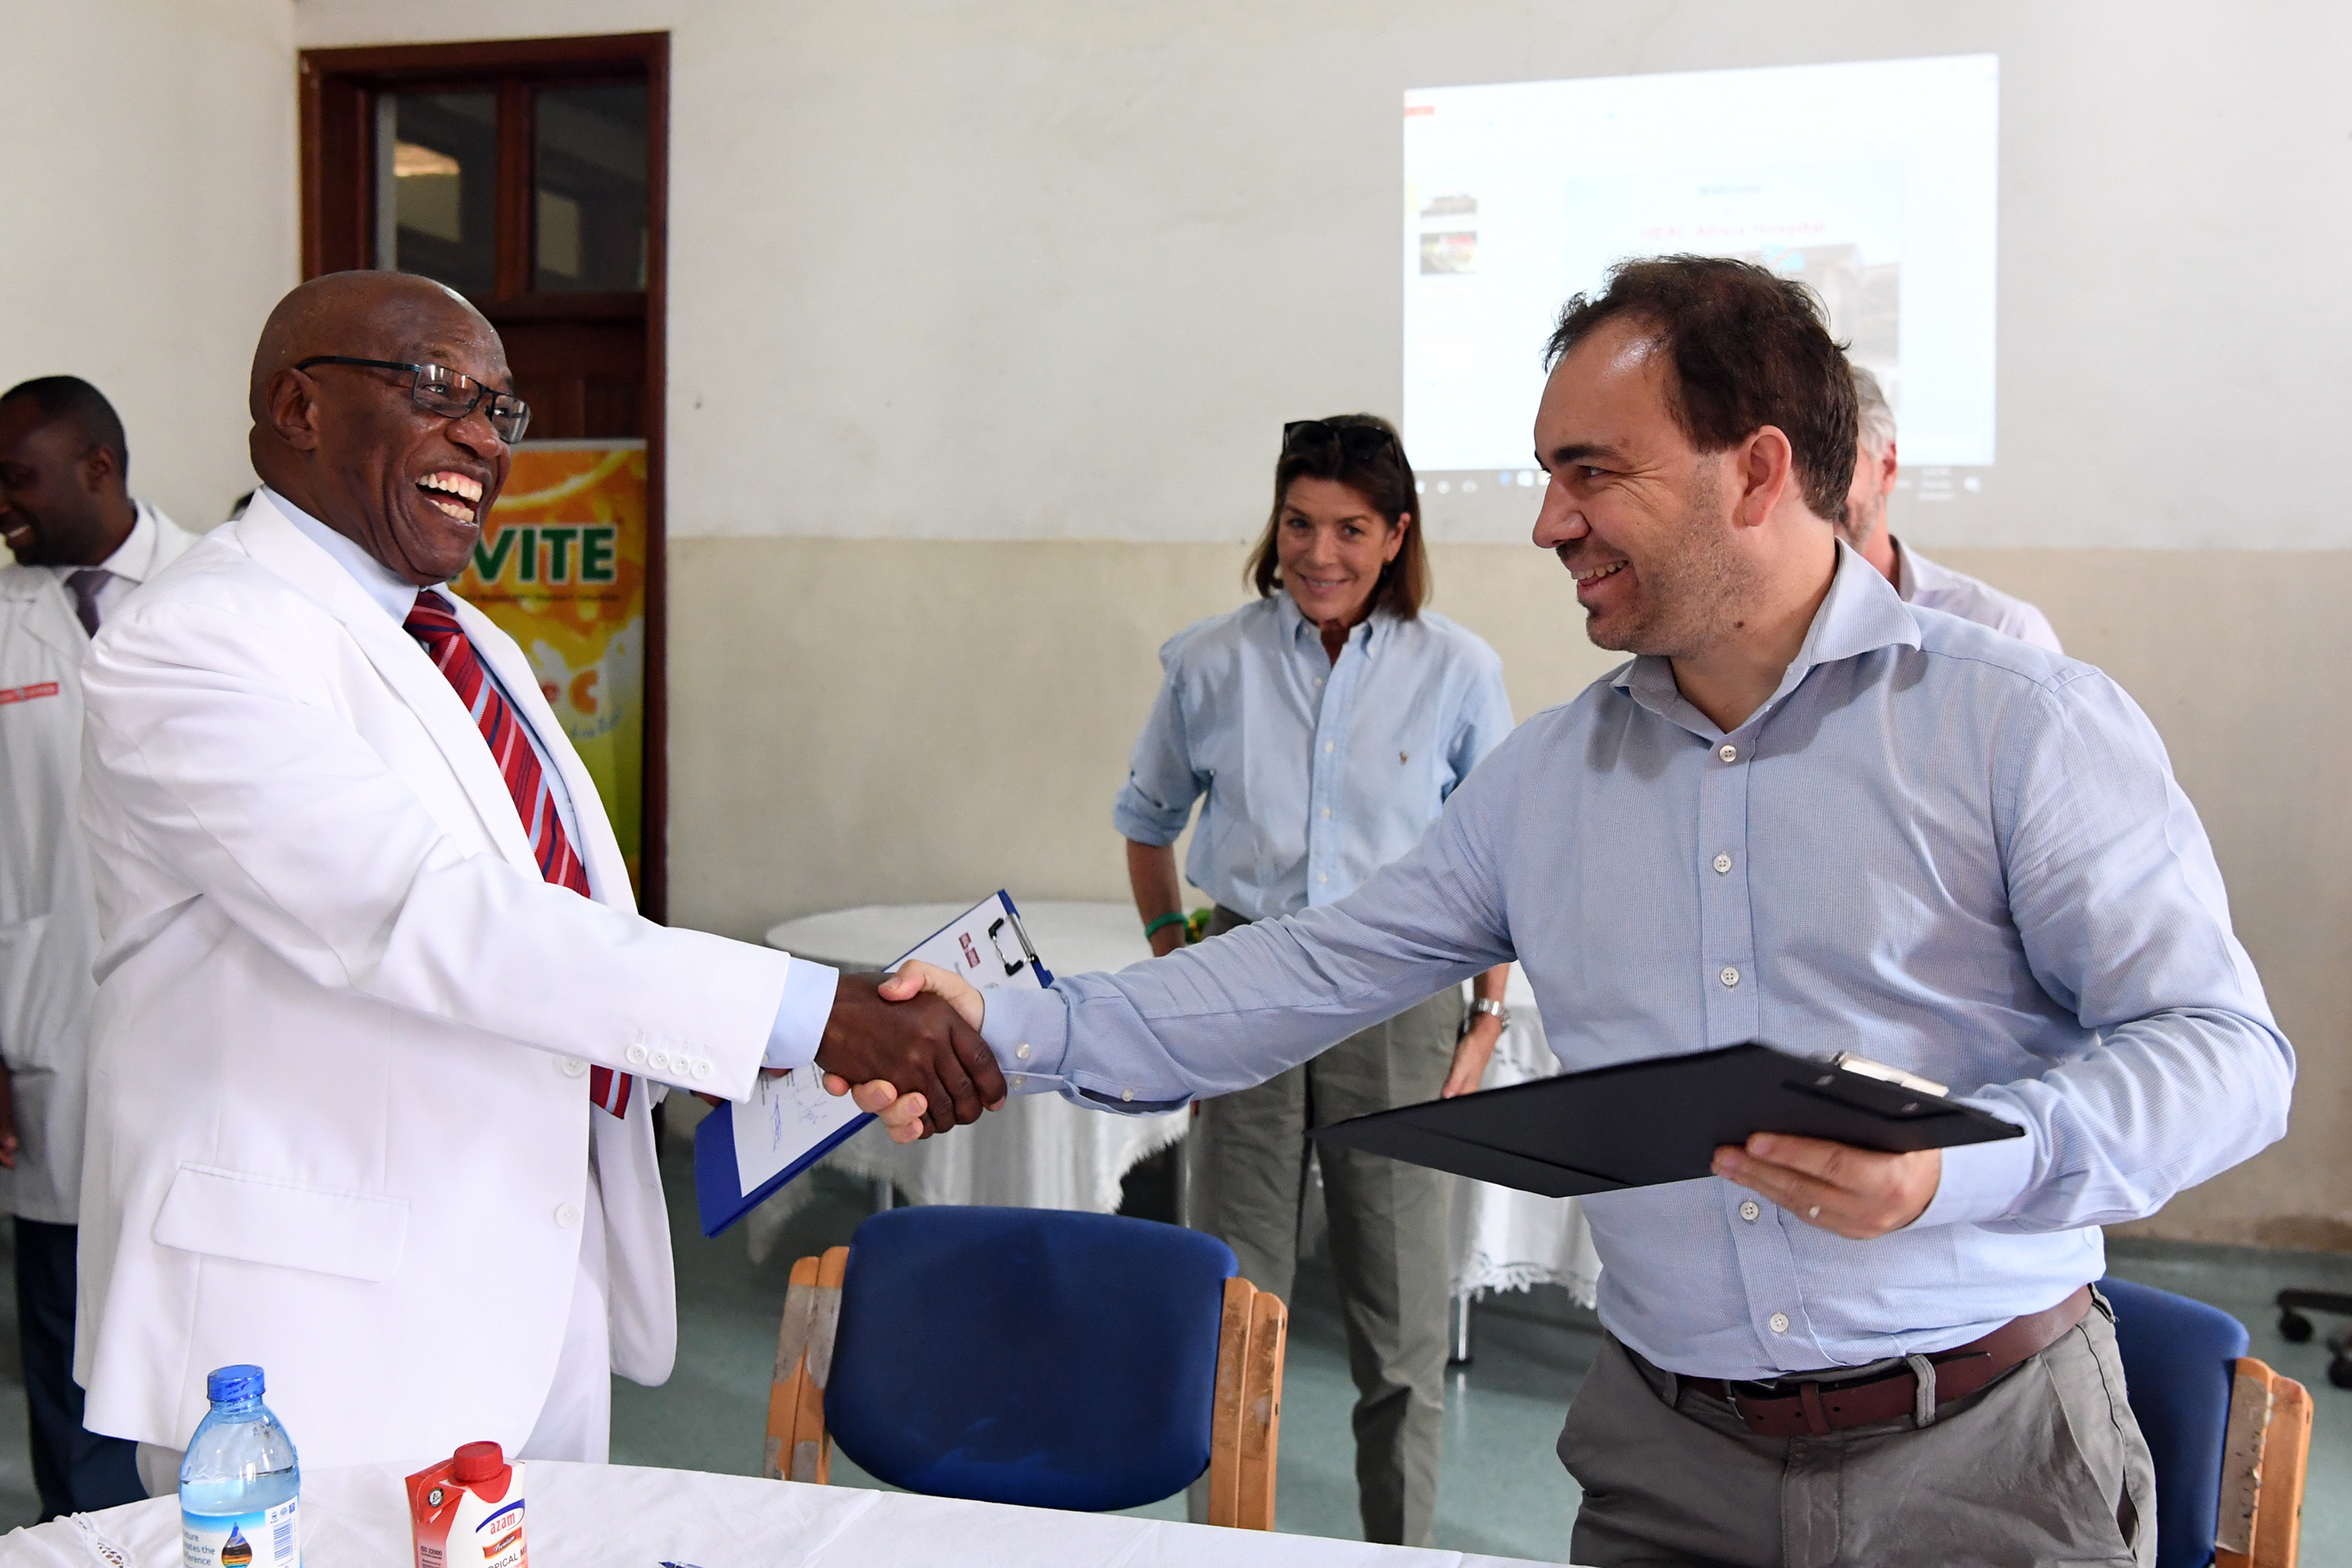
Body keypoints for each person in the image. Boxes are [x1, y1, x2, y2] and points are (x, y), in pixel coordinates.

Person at [898, 256, 2292, 1566]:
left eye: (1590, 471)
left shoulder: (2018, 726)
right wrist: (1010, 1024)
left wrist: (1958, 1166)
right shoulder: (1550, 776)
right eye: (1546, 472)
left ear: (1755, 470)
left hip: (1983, 1456)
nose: (1546, 520)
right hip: (1663, 1461)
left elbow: (2223, 1051)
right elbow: (1313, 965)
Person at [72, 272, 992, 1487]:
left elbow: (559, 919)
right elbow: (425, 914)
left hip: (521, 1289)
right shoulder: (195, 636)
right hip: (312, 1341)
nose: (481, 437)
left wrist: (719, 1051)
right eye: (436, 388)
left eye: (501, 409)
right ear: (298, 405)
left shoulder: (459, 633)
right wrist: (813, 1009)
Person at [1117, 413, 1514, 1546]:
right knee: (1234, 1310)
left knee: (1397, 1331)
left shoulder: (1459, 671)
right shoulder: (1211, 659)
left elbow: (1496, 862)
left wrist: (1485, 1016)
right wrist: (1173, 956)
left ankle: (1398, 1549)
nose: (1318, 552)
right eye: (1298, 523)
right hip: (1242, 987)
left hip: (1399, 997)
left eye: (1349, 528)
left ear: (1395, 536)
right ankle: (1225, 1542)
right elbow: (1147, 823)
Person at [0, 376, 198, 1519]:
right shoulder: (6, 618)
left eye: (16, 479)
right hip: (47, 1020)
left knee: (202, 1301)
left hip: (201, 1025)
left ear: (97, 470)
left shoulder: (219, 591)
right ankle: (79, 1534)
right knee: (66, 1318)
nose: (2, 506)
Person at [1839, 365, 2061, 651]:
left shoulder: (2003, 632)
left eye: (1835, 467)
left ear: (1887, 467)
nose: (1814, 493)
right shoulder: (1765, 638)